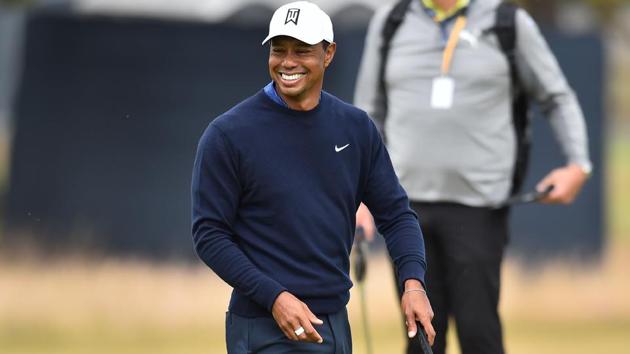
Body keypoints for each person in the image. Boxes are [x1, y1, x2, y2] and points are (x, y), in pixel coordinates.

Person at [191, 2, 436, 353]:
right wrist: (274, 297)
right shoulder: (228, 134)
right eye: (279, 50)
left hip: (335, 323)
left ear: (329, 53)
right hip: (263, 327)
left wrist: (413, 283)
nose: (287, 62)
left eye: (302, 51)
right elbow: (209, 234)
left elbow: (397, 216)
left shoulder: (356, 128)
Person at [354, 1, 592, 354]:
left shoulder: (507, 22)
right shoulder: (391, 21)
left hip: (479, 207)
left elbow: (556, 97)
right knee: (420, 338)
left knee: (479, 333)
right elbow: (367, 114)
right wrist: (359, 191)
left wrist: (578, 164)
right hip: (405, 211)